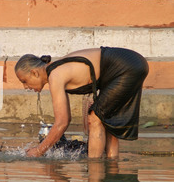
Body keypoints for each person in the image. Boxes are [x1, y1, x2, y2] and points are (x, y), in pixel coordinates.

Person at [14, 47, 149, 159]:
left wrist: (39, 151)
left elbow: (62, 123)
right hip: (132, 63)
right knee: (106, 120)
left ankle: (94, 172)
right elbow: (65, 119)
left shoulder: (55, 76)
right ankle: (111, 166)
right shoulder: (55, 72)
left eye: (24, 81)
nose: (26, 87)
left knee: (95, 118)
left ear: (34, 73)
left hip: (127, 66)